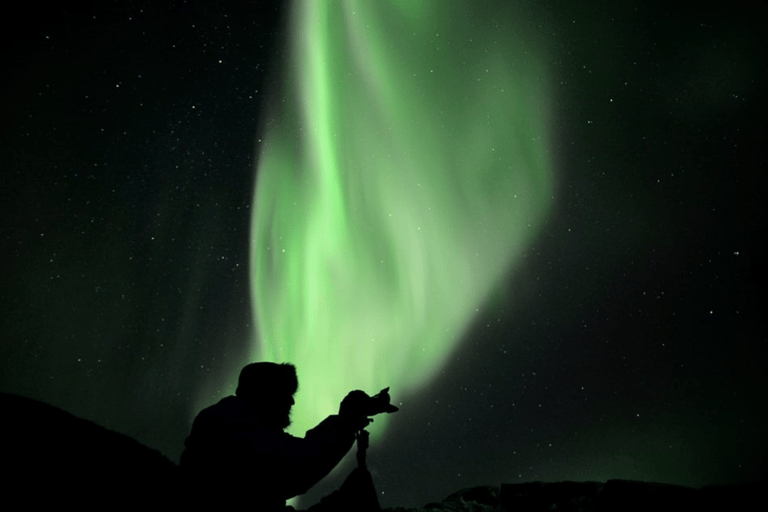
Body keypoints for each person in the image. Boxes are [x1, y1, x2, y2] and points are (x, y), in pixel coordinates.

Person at [180, 362, 397, 510]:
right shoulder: (232, 424)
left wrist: (347, 420)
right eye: (286, 395)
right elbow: (296, 465)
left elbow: (295, 457)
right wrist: (347, 420)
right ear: (266, 395)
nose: (292, 402)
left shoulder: (237, 420)